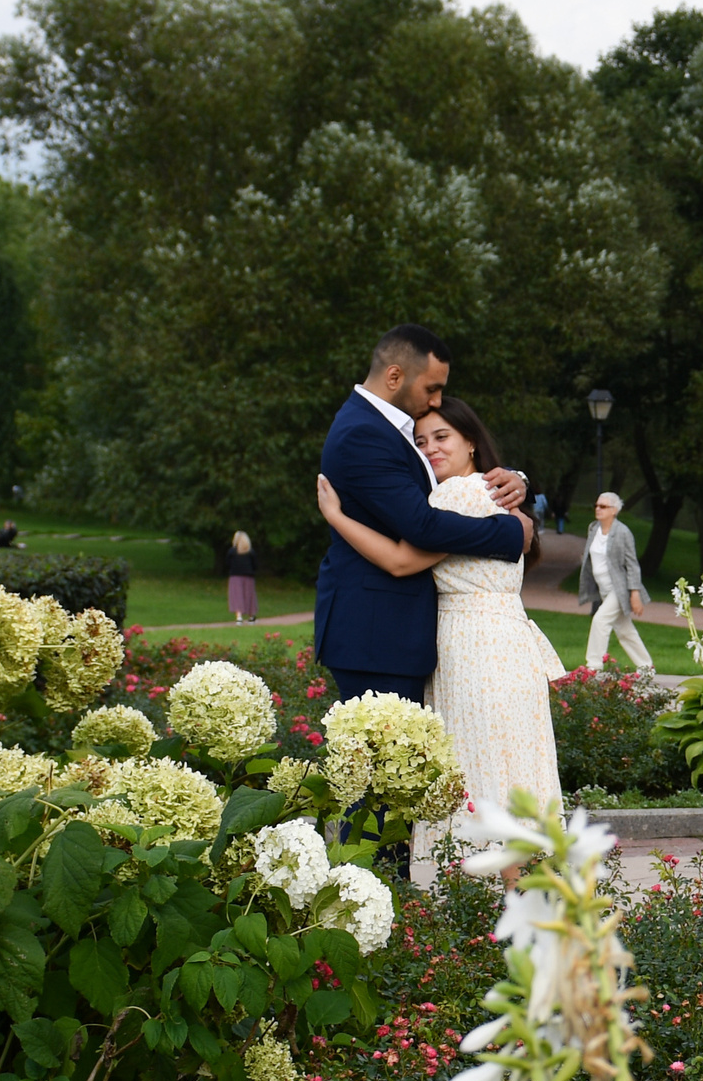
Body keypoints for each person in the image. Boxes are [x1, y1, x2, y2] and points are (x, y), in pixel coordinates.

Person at [316, 394, 560, 831]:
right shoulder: (492, 491)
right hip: (509, 644)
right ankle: (525, 888)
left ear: (471, 443)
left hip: (473, 649)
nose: (430, 448)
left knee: (482, 773)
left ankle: (495, 885)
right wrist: (520, 479)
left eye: (442, 436)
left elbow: (401, 561)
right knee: (518, 769)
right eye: (421, 440)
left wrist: (336, 516)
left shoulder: (455, 497)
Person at [312, 323, 531, 705]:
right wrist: (511, 533)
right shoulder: (363, 433)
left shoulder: (385, 427)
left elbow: (447, 485)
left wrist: (514, 479)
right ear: (395, 376)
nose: (435, 401)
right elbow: (423, 526)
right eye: (432, 388)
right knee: (384, 761)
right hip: (376, 636)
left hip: (389, 635)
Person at [574, 492, 654, 674]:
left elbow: (632, 564)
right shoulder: (593, 528)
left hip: (620, 589)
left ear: (614, 510)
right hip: (604, 589)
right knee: (625, 630)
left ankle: (593, 667)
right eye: (596, 505)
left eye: (603, 506)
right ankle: (646, 668)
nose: (598, 509)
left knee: (600, 620)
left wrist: (634, 593)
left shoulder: (623, 532)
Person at [225, 532, 260, 623]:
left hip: (235, 576)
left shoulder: (232, 551)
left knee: (237, 596)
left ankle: (239, 616)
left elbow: (227, 563)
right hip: (249, 576)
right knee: (249, 595)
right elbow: (255, 565)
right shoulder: (250, 552)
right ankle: (251, 616)